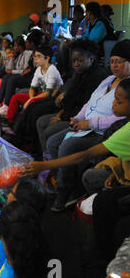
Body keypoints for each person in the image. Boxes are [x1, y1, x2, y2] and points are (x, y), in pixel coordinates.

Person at [43, 40, 130, 211]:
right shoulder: (109, 79)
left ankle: (66, 191)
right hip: (86, 124)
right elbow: (90, 102)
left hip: (103, 131)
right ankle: (69, 180)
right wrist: (78, 118)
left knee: (67, 145)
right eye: (112, 61)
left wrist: (90, 123)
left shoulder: (128, 87)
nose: (114, 65)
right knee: (53, 141)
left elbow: (119, 119)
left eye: (119, 61)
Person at [34, 39, 109, 155]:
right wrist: (61, 113)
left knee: (49, 132)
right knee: (40, 121)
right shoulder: (79, 73)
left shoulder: (97, 77)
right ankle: (46, 156)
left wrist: (62, 116)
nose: (76, 64)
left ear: (91, 59)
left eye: (79, 60)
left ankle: (53, 162)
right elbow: (71, 98)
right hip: (69, 113)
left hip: (81, 118)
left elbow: (86, 106)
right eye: (73, 61)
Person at [5, 44, 63, 125]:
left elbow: (47, 93)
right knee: (15, 98)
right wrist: (31, 98)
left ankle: (22, 126)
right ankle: (9, 122)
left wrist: (31, 100)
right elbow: (32, 88)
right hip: (41, 94)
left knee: (31, 105)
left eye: (38, 56)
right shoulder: (38, 69)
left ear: (47, 58)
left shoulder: (52, 70)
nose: (35, 59)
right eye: (35, 56)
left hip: (52, 97)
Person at [0, 35, 34, 113]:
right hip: (19, 75)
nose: (15, 48)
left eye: (16, 46)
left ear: (20, 46)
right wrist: (12, 57)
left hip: (27, 77)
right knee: (6, 77)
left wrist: (12, 72)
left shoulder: (28, 53)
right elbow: (9, 69)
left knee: (11, 79)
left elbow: (25, 70)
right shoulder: (19, 55)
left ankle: (7, 105)